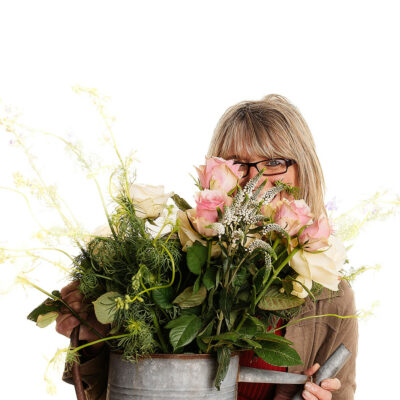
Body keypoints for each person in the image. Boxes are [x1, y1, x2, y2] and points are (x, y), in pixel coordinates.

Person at [58, 94, 358, 400]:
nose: (253, 179)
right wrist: (92, 337)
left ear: (302, 171)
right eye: (237, 164)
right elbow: (120, 390)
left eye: (274, 162)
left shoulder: (330, 299)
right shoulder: (172, 264)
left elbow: (341, 393)